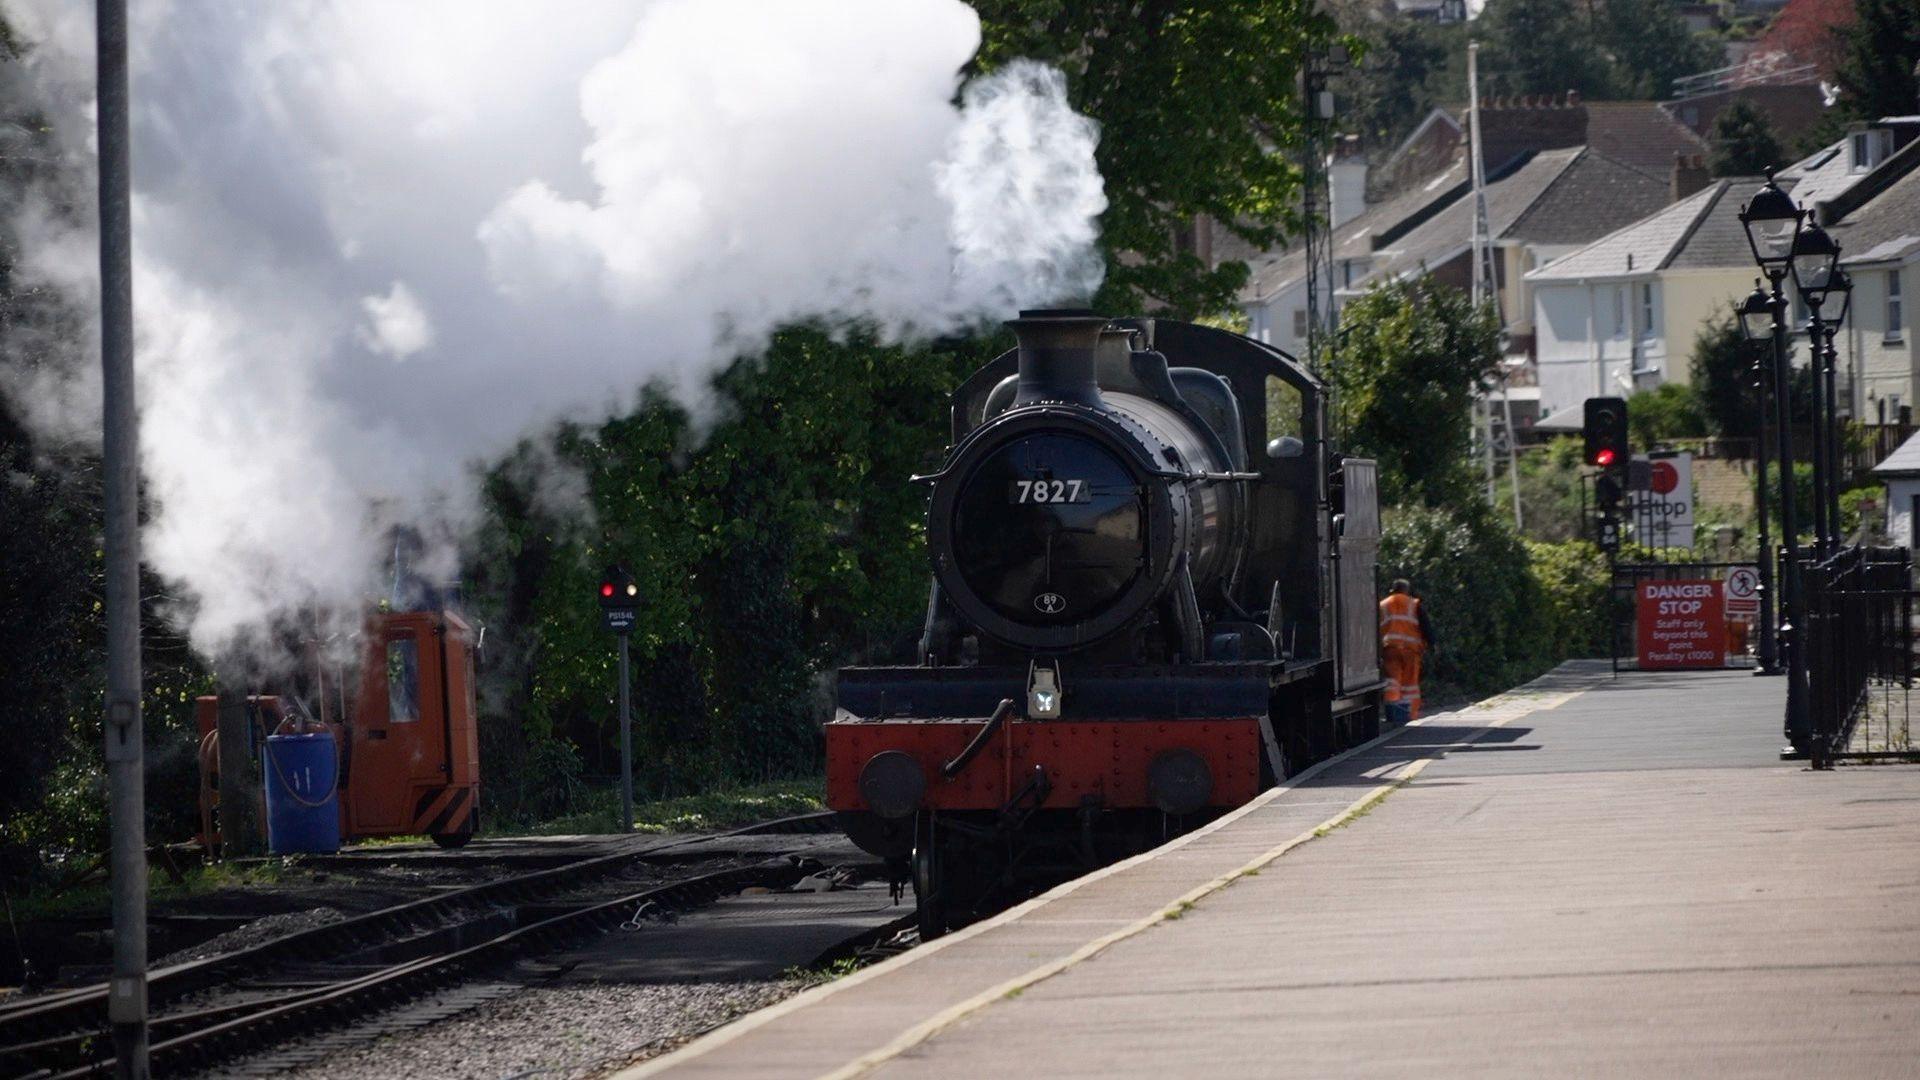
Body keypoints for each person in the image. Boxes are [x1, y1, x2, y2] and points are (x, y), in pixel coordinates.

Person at [1378, 578, 1434, 724]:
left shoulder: (1383, 605)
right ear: (1406, 590)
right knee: (1410, 685)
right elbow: (1425, 626)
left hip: (1390, 648)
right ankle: (1410, 715)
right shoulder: (1414, 604)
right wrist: (1432, 644)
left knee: (1392, 682)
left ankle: (1392, 714)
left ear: (1392, 590)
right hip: (1410, 650)